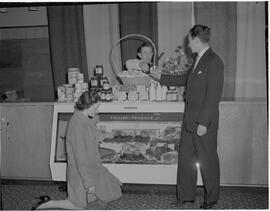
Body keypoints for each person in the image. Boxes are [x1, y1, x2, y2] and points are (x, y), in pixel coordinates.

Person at [150, 25, 224, 209]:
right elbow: (183, 79)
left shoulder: (214, 61)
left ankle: (211, 199)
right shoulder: (198, 59)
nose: (188, 45)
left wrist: (204, 123)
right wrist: (159, 77)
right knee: (185, 159)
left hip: (202, 123)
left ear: (197, 40)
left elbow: (213, 96)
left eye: (190, 41)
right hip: (189, 120)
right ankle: (186, 196)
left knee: (208, 162)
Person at [32, 91, 122, 210]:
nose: (97, 111)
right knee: (78, 204)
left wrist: (108, 132)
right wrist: (88, 183)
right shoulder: (77, 125)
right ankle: (46, 204)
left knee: (103, 195)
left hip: (92, 169)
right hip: (82, 173)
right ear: (87, 107)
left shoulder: (85, 118)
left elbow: (93, 128)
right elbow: (81, 158)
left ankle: (46, 202)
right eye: (96, 108)